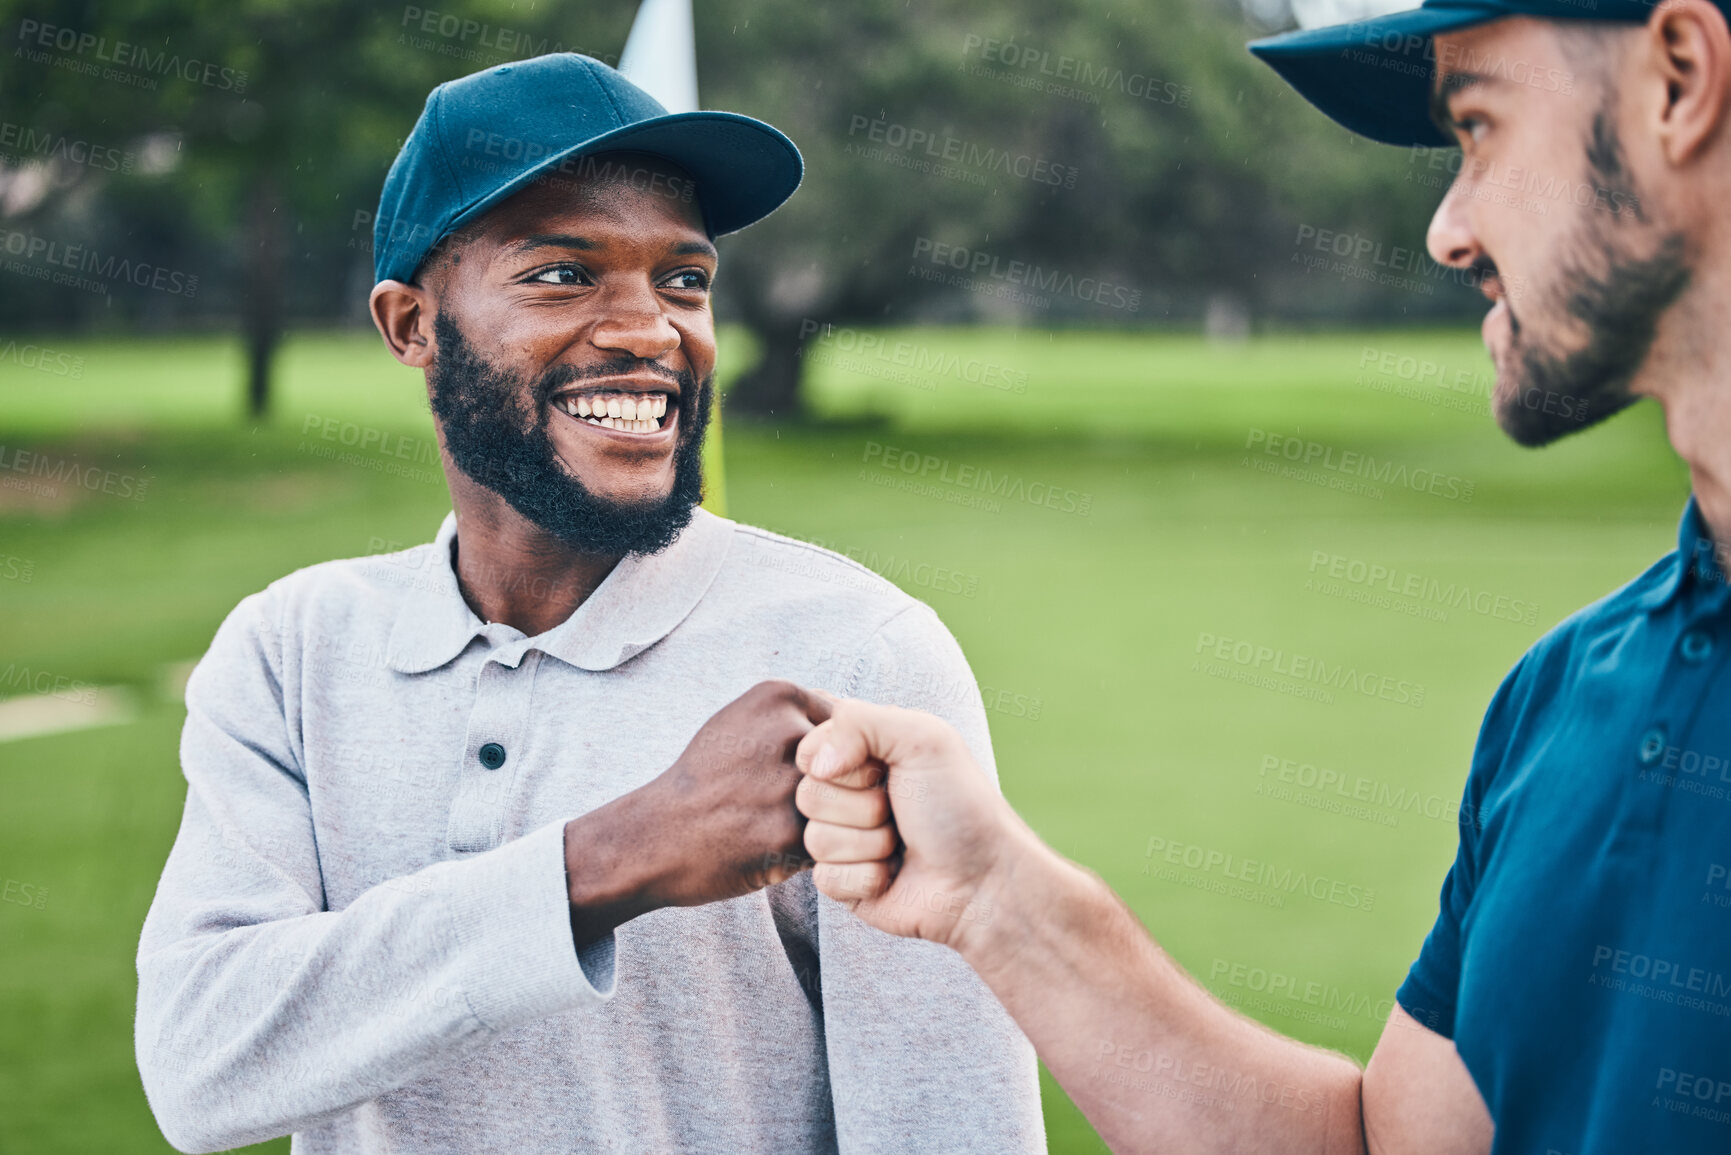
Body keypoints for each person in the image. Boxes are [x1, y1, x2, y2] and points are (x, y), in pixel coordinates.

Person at [792, 2, 1731, 1152]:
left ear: (1680, 79)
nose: (1449, 230)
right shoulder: (1574, 690)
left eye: (1478, 127)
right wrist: (997, 899)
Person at [133, 54, 1043, 1154]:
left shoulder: (859, 655)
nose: (649, 330)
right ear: (410, 325)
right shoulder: (292, 650)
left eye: (684, 279)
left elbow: (949, 1127)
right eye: (563, 275)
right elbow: (202, 1068)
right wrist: (615, 857)